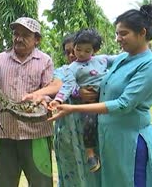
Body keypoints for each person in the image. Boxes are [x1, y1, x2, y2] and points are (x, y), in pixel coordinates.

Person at [50, 4, 152, 187]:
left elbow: (123, 104)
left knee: (132, 181)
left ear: (142, 32)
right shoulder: (121, 59)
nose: (118, 38)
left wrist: (73, 108)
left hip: (130, 142)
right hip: (107, 139)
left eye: (123, 33)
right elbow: (83, 68)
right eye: (117, 34)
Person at [0, 17, 54, 187]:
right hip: (4, 132)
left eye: (26, 35)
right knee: (3, 183)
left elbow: (50, 91)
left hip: (36, 134)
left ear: (37, 39)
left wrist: (43, 99)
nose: (18, 38)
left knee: (41, 182)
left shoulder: (45, 61)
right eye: (16, 34)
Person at [23, 34, 100, 187]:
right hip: (67, 133)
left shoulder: (98, 69)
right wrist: (42, 97)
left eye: (74, 50)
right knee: (70, 174)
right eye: (67, 52)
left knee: (94, 174)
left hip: (91, 132)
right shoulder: (62, 71)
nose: (72, 55)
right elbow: (57, 88)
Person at [49, 29, 116, 173]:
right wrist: (59, 100)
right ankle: (90, 153)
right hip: (81, 114)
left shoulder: (102, 60)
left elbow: (121, 60)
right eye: (75, 50)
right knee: (89, 123)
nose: (78, 54)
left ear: (94, 50)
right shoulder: (69, 69)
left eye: (86, 51)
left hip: (105, 102)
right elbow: (66, 85)